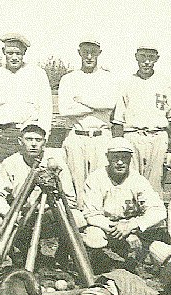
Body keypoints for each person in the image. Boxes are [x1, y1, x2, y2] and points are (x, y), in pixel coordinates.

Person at [0, 124, 84, 264]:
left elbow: (69, 199)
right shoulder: (10, 163)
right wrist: (10, 213)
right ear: (20, 141)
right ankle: (7, 251)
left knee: (78, 218)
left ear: (44, 142)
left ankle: (63, 254)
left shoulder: (56, 164)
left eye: (38, 140)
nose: (33, 144)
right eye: (29, 139)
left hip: (49, 215)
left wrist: (48, 211)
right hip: (19, 214)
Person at [81, 137, 167, 274]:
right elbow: (91, 214)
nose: (120, 162)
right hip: (106, 227)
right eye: (115, 157)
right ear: (107, 158)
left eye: (124, 157)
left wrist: (131, 227)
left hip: (131, 226)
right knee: (93, 236)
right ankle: (99, 263)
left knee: (158, 247)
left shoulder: (138, 180)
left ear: (130, 159)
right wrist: (118, 229)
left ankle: (138, 261)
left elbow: (159, 211)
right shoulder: (96, 178)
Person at [112, 45, 171, 196]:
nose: (146, 62)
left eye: (150, 58)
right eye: (143, 57)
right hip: (133, 136)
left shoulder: (165, 83)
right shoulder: (127, 83)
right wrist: (119, 146)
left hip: (157, 137)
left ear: (156, 59)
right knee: (129, 182)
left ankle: (154, 218)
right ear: (136, 57)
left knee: (154, 186)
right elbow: (118, 121)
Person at [58, 38, 119, 208]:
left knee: (102, 182)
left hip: (101, 137)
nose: (89, 56)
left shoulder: (108, 78)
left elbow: (109, 105)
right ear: (79, 53)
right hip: (77, 136)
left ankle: (99, 224)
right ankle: (78, 226)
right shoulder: (69, 79)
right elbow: (66, 109)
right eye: (85, 52)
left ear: (99, 53)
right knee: (77, 184)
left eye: (93, 52)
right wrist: (95, 107)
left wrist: (82, 100)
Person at [0, 33, 53, 173]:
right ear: (3, 52)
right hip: (1, 140)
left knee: (28, 187)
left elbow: (46, 111)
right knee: (1, 186)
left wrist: (41, 141)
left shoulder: (37, 75)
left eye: (18, 53)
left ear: (24, 52)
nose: (14, 57)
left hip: (28, 139)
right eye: (10, 53)